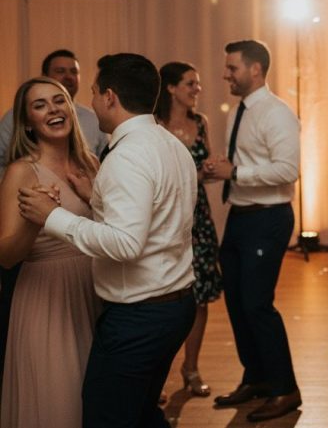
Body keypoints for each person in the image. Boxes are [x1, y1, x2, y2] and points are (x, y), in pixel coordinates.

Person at [18, 53, 197, 428]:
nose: (92, 100)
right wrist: (97, 195)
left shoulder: (127, 156)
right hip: (175, 304)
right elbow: (155, 215)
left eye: (96, 92)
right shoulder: (169, 144)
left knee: (107, 416)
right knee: (141, 412)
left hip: (140, 316)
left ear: (111, 97)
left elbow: (126, 244)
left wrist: (52, 217)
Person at [207, 40, 302, 422]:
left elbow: (287, 169)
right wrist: (226, 167)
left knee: (257, 305)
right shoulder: (240, 110)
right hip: (241, 215)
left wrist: (237, 172)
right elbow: (247, 160)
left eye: (232, 68)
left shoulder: (277, 113)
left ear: (256, 70)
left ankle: (285, 389)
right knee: (236, 303)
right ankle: (257, 376)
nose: (226, 74)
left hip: (268, 217)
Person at [0, 49, 107, 390]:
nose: (53, 109)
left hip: (95, 289)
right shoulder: (21, 171)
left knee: (96, 394)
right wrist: (37, 221)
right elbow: (5, 257)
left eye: (58, 101)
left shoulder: (90, 163)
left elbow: (113, 230)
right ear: (27, 121)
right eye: (40, 105)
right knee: (61, 391)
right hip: (47, 298)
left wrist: (94, 199)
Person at [154, 62, 223, 397]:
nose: (197, 89)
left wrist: (209, 168)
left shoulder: (201, 122)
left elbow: (201, 167)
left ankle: (191, 368)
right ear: (170, 88)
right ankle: (157, 376)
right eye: (190, 83)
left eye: (197, 83)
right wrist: (192, 176)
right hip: (164, 219)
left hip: (198, 219)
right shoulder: (155, 124)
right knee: (162, 297)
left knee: (199, 297)